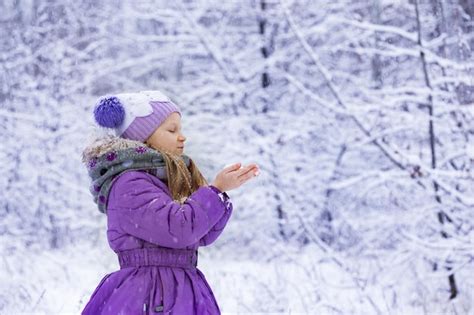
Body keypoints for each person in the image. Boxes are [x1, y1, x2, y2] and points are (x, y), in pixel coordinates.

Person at [80, 90, 259, 314]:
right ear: (142, 138)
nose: (182, 136)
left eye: (180, 129)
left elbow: (201, 235)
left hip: (179, 288)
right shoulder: (130, 184)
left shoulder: (162, 181)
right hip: (149, 293)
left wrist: (220, 195)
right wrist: (215, 190)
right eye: (171, 130)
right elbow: (180, 228)